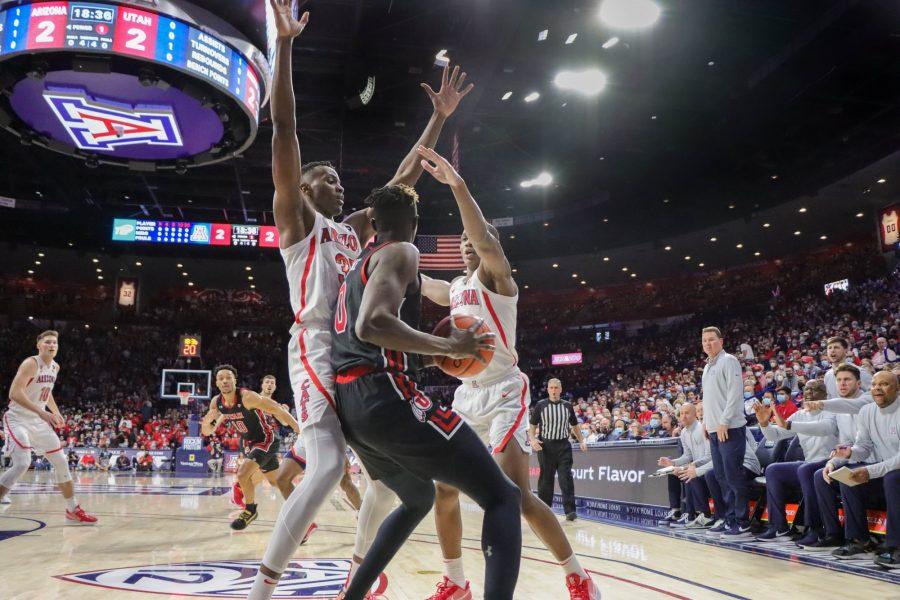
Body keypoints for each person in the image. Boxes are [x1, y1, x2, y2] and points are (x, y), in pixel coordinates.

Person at [251, 4, 474, 595]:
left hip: (361, 355)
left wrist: (436, 119)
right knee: (325, 467)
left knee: (386, 480)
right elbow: (285, 132)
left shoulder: (352, 230)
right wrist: (286, 45)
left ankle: (359, 573)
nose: (339, 185)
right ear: (302, 188)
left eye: (340, 183)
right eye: (327, 179)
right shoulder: (297, 222)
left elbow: (401, 184)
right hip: (318, 347)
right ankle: (262, 589)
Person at [416, 146, 598, 598]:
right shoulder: (455, 288)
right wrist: (374, 257)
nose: (465, 243)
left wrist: (457, 187)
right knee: (443, 489)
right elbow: (418, 280)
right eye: (461, 240)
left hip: (503, 391)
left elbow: (484, 242)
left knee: (517, 497)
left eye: (472, 239)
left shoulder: (498, 280)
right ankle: (456, 582)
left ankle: (576, 574)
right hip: (466, 394)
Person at [327, 184, 522, 600]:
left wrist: (434, 358)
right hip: (384, 399)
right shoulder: (402, 252)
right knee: (503, 496)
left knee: (416, 498)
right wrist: (450, 346)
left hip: (352, 407)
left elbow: (370, 343)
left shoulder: (357, 266)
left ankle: (351, 596)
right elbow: (372, 325)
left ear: (372, 223)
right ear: (415, 224)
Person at [0, 330, 96, 522]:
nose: (52, 345)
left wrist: (55, 411)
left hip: (38, 420)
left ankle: (72, 509)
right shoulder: (30, 363)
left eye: (54, 343)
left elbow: (47, 391)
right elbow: (14, 393)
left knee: (61, 462)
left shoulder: (55, 367)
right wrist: (42, 412)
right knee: (22, 463)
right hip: (18, 418)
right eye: (47, 342)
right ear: (38, 345)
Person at [200, 365, 300, 530]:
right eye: (221, 378)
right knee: (277, 481)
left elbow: (277, 410)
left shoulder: (247, 397)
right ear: (216, 383)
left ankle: (250, 510)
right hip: (251, 442)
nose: (225, 380)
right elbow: (208, 431)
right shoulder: (216, 403)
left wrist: (298, 429)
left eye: (228, 377)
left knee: (243, 473)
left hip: (267, 439)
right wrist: (206, 421)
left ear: (235, 380)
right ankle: (300, 502)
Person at [818, 371, 900, 565]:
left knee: (892, 478)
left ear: (897, 389)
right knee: (850, 478)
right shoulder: (867, 411)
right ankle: (859, 540)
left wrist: (870, 471)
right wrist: (849, 454)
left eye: (885, 384)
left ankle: (895, 545)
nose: (878, 388)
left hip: (893, 473)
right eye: (874, 384)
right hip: (885, 471)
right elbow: (863, 447)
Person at [751, 380, 838, 542]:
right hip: (809, 462)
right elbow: (775, 435)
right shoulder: (800, 414)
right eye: (806, 389)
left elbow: (823, 428)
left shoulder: (832, 412)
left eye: (815, 389)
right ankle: (779, 527)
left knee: (805, 470)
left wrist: (790, 425)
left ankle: (814, 528)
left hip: (830, 462)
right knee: (773, 470)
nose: (809, 392)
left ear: (825, 395)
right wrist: (764, 423)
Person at [700, 326, 753, 539]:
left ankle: (742, 522)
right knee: (721, 477)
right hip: (714, 429)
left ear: (721, 341)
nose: (708, 344)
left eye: (712, 340)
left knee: (733, 476)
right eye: (704, 341)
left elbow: (734, 393)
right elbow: (708, 400)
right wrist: (706, 422)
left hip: (730, 428)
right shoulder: (706, 367)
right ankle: (730, 518)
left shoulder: (729, 361)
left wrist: (723, 421)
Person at [529, 379, 588, 521]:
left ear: (561, 389)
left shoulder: (567, 406)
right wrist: (532, 439)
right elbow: (532, 425)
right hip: (546, 446)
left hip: (563, 446)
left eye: (556, 388)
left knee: (565, 478)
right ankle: (545, 510)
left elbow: (574, 426)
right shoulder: (540, 405)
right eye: (551, 388)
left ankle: (570, 511)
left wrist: (581, 440)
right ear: (548, 389)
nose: (554, 390)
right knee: (546, 480)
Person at [658, 403, 714, 529]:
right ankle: (676, 510)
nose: (683, 416)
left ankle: (692, 514)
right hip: (696, 465)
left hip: (707, 466)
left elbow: (710, 456)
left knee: (688, 472)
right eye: (681, 413)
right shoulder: (683, 432)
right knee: (672, 471)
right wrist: (673, 463)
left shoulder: (702, 429)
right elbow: (687, 456)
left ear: (695, 414)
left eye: (687, 413)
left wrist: (689, 466)